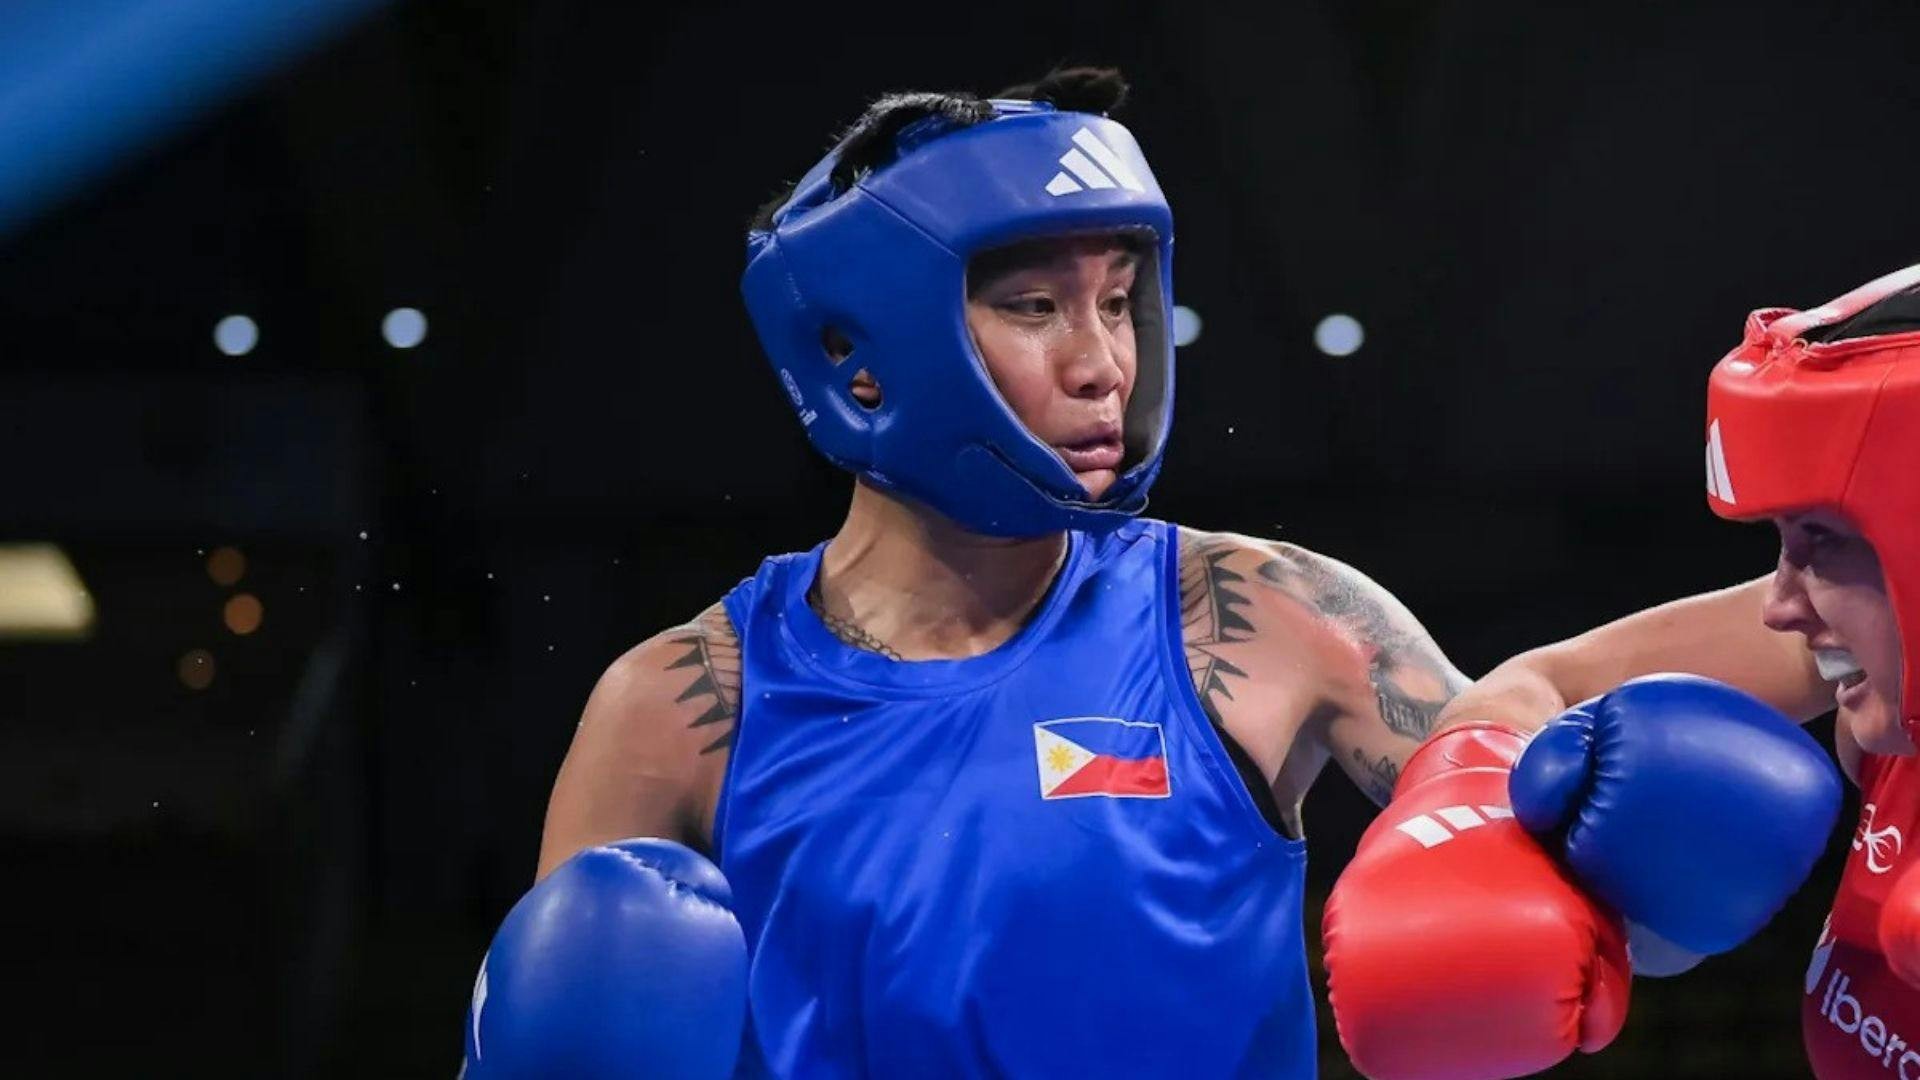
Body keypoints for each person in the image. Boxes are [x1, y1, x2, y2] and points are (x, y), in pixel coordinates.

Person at [459, 68, 1835, 1079]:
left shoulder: (1256, 618)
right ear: (864, 360)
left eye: (1119, 302)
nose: (1103, 363)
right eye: (1034, 306)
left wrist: (1890, 569)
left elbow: (1511, 738)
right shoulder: (680, 708)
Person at [1325, 263, 1920, 1080]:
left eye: (1823, 539)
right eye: (1788, 540)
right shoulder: (1878, 678)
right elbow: (1544, 687)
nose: (1781, 605)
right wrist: (1471, 811)